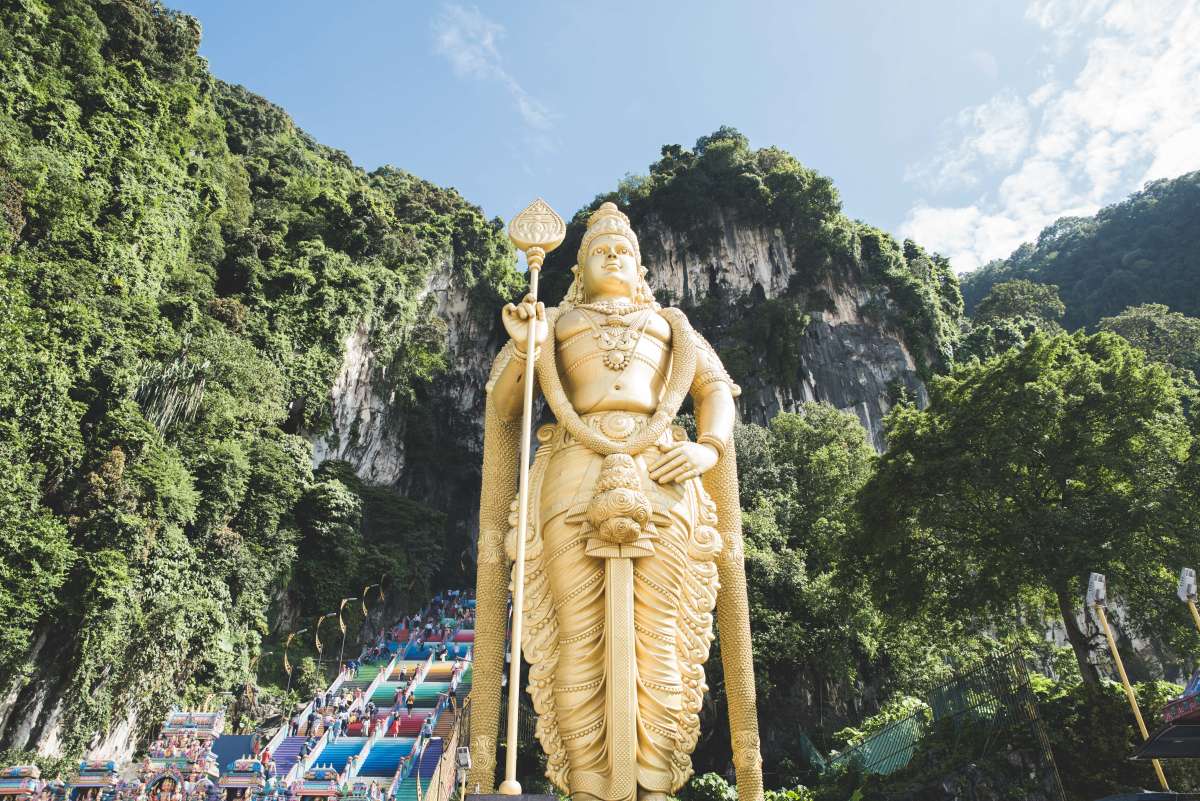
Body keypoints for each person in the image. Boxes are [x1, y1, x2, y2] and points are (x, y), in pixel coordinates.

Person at [469, 203, 763, 801]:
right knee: (577, 636)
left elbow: (715, 391)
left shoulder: (672, 325)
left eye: (623, 250)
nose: (612, 256)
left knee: (659, 637)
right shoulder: (552, 320)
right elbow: (505, 409)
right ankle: (585, 787)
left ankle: (657, 786)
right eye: (599, 250)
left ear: (640, 265)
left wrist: (708, 448)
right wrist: (527, 348)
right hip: (572, 467)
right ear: (578, 268)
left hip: (663, 468)